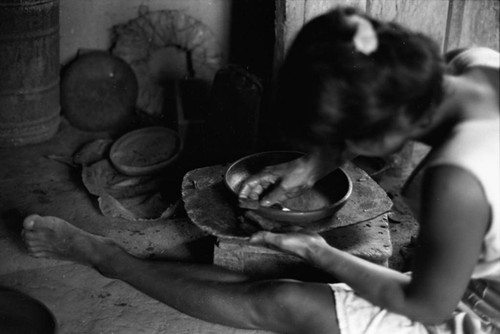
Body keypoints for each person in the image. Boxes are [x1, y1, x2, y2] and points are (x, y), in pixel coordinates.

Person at [21, 7, 499, 334]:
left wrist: (322, 254)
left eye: (341, 140)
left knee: (282, 301)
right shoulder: (473, 64)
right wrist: (312, 165)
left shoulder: (453, 181)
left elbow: (429, 304)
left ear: (378, 131)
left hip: (484, 314)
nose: (337, 148)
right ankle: (113, 256)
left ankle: (110, 260)